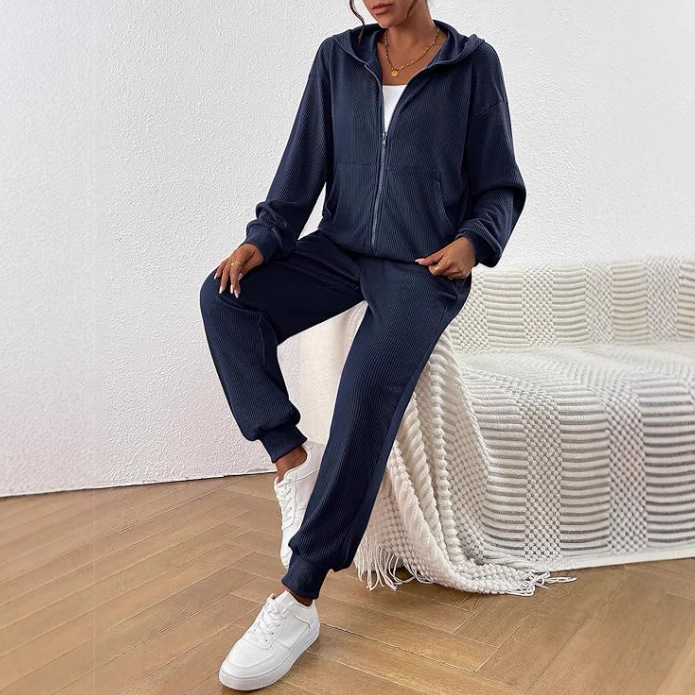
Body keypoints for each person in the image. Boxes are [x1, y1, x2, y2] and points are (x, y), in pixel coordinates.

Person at [199, 0, 526, 690]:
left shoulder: (472, 65)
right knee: (224, 297)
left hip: (422, 268)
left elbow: (500, 185)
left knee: (364, 398)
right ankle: (293, 464)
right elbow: (301, 170)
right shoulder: (337, 59)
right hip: (339, 250)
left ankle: (298, 597)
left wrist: (474, 242)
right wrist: (264, 239)